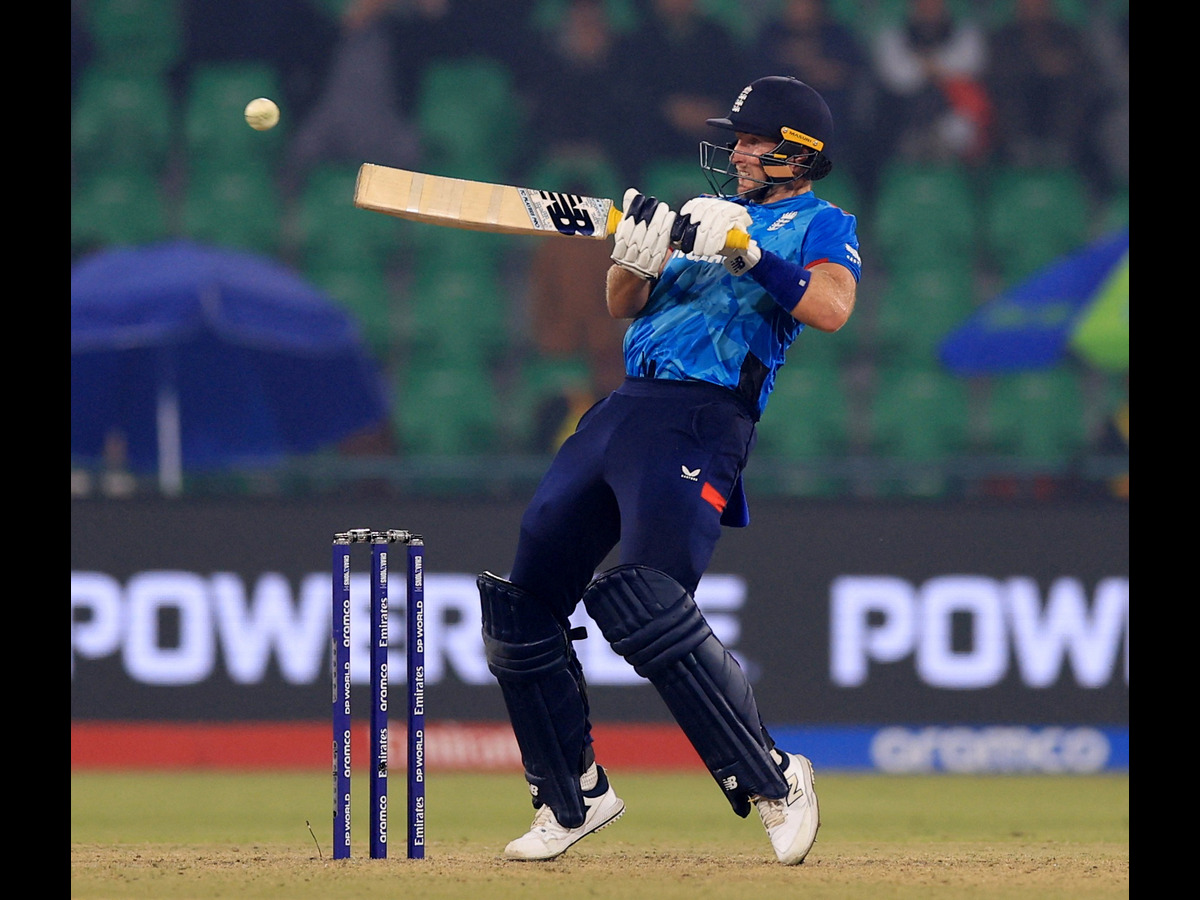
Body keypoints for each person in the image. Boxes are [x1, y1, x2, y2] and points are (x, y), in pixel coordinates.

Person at [476, 75, 860, 864]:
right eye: (737, 139)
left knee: (647, 602)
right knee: (522, 606)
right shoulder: (701, 213)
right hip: (623, 408)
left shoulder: (822, 222)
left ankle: (776, 778)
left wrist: (749, 252)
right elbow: (623, 303)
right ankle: (572, 794)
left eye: (752, 141)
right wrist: (636, 254)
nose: (737, 152)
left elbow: (830, 308)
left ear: (797, 154)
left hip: (702, 418)